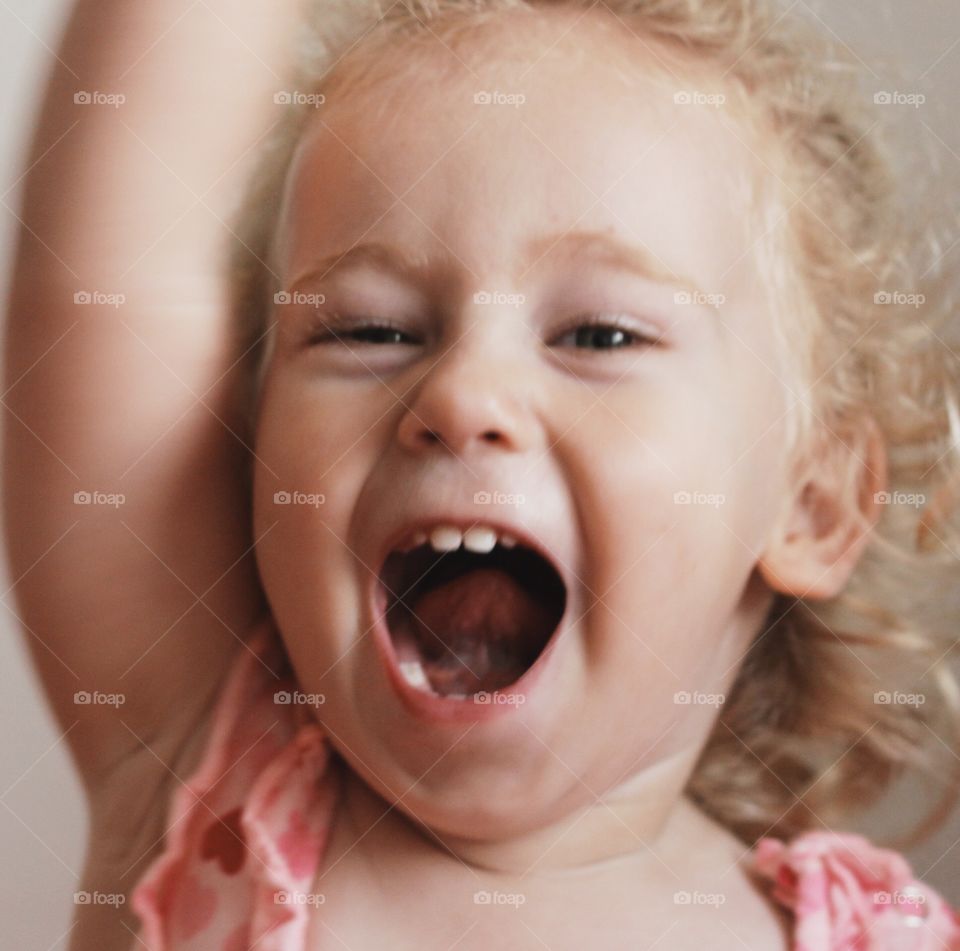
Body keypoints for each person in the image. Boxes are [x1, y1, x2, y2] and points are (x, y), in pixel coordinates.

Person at [4, 0, 960, 948]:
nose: (462, 393)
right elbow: (113, 290)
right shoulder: (200, 767)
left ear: (813, 501)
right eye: (369, 330)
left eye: (599, 335)